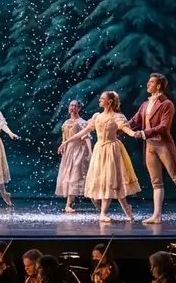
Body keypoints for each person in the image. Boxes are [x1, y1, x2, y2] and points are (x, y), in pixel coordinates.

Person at [127, 73, 176, 224]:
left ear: (159, 85)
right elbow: (134, 121)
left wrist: (144, 133)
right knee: (156, 182)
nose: (148, 84)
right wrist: (120, 127)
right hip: (150, 146)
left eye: (151, 82)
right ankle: (156, 215)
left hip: (163, 145)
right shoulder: (145, 104)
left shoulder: (167, 104)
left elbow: (164, 127)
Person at [60, 91, 140, 223]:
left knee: (112, 180)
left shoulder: (117, 116)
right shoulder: (97, 116)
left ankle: (104, 213)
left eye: (102, 98)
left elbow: (125, 129)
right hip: (100, 150)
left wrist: (135, 134)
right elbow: (83, 132)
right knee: (106, 180)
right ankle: (126, 209)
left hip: (112, 150)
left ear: (109, 102)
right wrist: (66, 141)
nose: (99, 100)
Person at [55, 100, 92, 213]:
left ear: (79, 108)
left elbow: (86, 138)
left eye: (75, 106)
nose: (72, 107)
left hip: (79, 151)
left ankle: (96, 202)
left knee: (77, 176)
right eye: (71, 105)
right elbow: (65, 138)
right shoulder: (66, 123)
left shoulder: (82, 122)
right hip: (69, 152)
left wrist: (90, 152)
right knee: (68, 176)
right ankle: (68, 204)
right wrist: (62, 146)